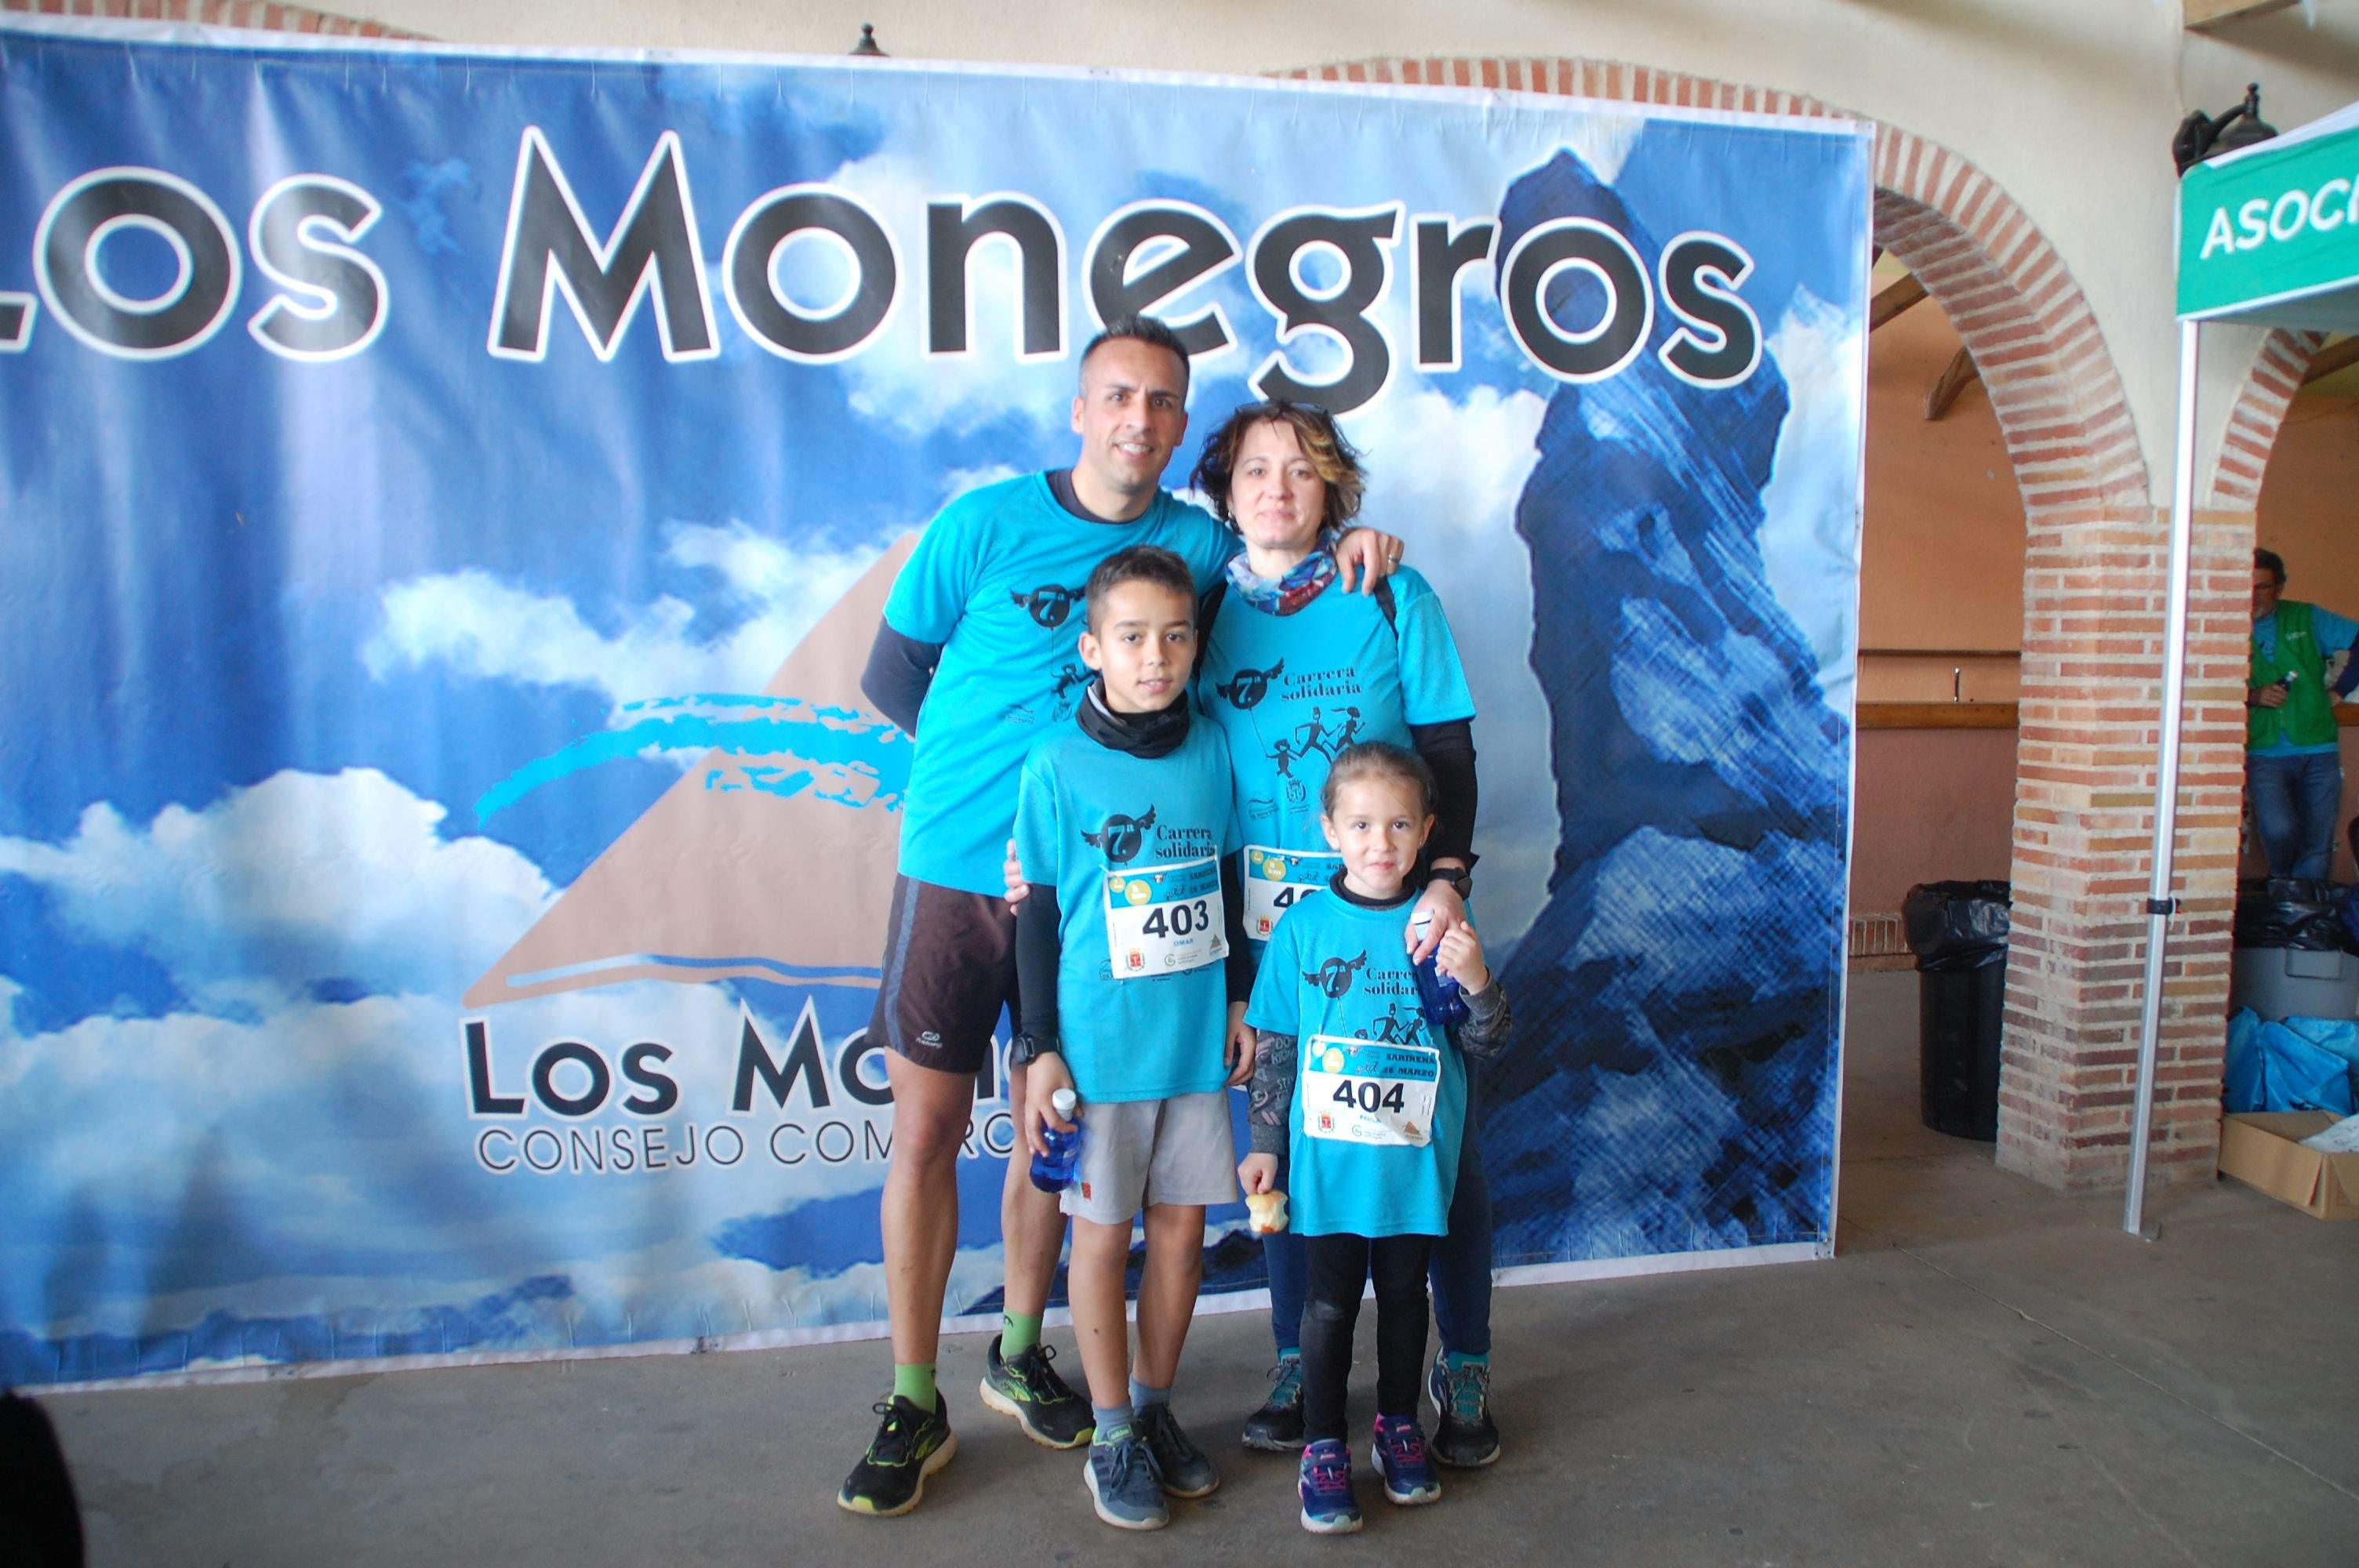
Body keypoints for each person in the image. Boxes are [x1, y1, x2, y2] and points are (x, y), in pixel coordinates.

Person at [841, 316, 1401, 1517]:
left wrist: (1368, 549)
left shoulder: (1192, 546)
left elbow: (1275, 558)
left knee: (1064, 1127)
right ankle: (910, 1398)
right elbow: (894, 677)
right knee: (931, 1135)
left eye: (1162, 402)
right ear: (1081, 410)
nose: (1139, 421)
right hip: (958, 867)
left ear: (1178, 423)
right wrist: (997, 777)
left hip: (1109, 897)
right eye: (1118, 397)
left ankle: (1020, 1353)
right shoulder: (983, 524)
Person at [1188, 401, 1500, 1466]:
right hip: (1269, 935)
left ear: (1335, 493)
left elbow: (1449, 755)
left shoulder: (1389, 591)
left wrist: (1448, 882)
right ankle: (1294, 1358)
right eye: (1256, 471)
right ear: (1224, 494)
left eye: (1303, 471)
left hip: (1401, 908)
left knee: (1434, 1141)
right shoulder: (1197, 608)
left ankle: (1462, 1371)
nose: (1278, 489)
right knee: (1291, 1141)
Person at [1009, 545, 1254, 1530]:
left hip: (1192, 1039)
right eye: (1131, 637)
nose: (1154, 657)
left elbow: (1230, 877)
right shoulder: (1054, 761)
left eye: (1174, 636)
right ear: (1091, 647)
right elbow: (1032, 916)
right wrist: (1039, 1045)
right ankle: (1109, 1430)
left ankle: (1153, 1410)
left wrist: (1238, 998)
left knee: (1184, 1236)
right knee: (1103, 1239)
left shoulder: (1212, 747)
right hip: (1099, 1046)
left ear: (1195, 643)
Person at [1238, 742, 1514, 1534]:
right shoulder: (1300, 929)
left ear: (1426, 830)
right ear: (1328, 829)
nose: (1379, 842)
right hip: (1326, 1168)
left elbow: (1491, 1041)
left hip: (1413, 1169)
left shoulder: (1443, 926)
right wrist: (1264, 1140)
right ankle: (1323, 1446)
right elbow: (1279, 1043)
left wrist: (1478, 981)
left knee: (1401, 1298)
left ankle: (1397, 1425)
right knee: (1326, 1305)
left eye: (1397, 824)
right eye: (1360, 823)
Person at [2248, 547, 2359, 881]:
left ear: (2279, 587)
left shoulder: (2305, 617)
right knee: (2278, 829)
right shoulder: (2220, 626)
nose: (2253, 597)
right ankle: (2287, 894)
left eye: (2263, 587)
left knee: (2318, 843)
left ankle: (2302, 919)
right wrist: (2253, 696)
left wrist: (2338, 692)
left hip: (2318, 745)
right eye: (2246, 586)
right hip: (2264, 750)